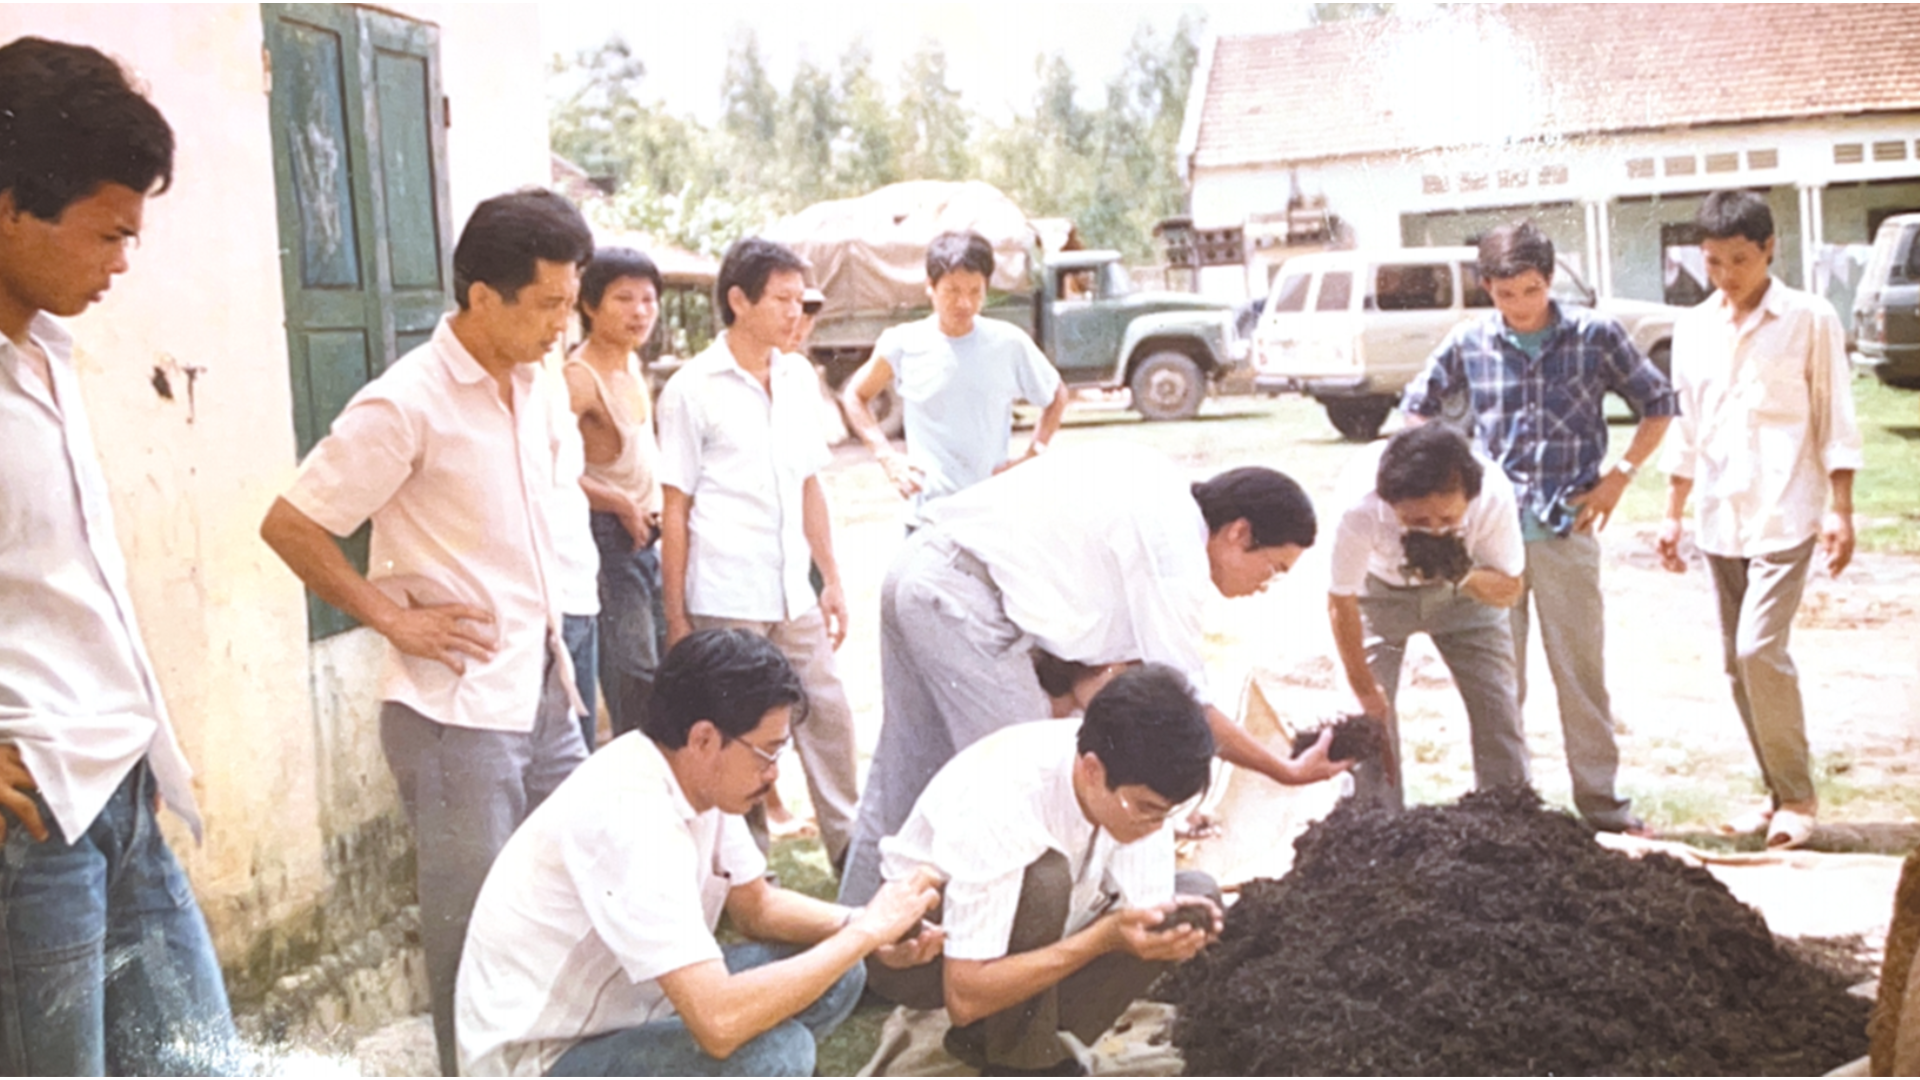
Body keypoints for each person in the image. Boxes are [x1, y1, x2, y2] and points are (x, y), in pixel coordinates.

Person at [259, 188, 595, 1074]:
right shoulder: (405, 402)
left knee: (571, 896)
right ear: (483, 297)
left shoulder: (538, 385)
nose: (565, 324)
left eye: (573, 301)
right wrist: (391, 619)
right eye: (550, 304)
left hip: (544, 687)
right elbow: (293, 525)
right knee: (474, 934)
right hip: (454, 716)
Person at [0, 35, 239, 1076]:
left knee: (199, 1063)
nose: (122, 263)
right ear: (10, 203)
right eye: (107, 233)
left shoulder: (41, 354)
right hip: (30, 826)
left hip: (121, 791)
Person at [838, 441, 1348, 906]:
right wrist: (1284, 770)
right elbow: (1184, 703)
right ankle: (1001, 951)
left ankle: (855, 939)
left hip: (922, 568)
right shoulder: (1176, 552)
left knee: (907, 769)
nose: (1268, 585)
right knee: (1028, 780)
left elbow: (1113, 663)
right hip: (962, 599)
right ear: (1239, 533)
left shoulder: (1158, 485)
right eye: (1274, 568)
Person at [455, 630, 942, 1077]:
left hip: (631, 1010)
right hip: (545, 1057)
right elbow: (719, 1022)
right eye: (767, 752)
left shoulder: (695, 775)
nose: (774, 774)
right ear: (705, 738)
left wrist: (867, 924)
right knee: (777, 1053)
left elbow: (757, 906)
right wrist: (865, 932)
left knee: (836, 971)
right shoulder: (630, 817)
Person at [1402, 220, 1676, 834]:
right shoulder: (1469, 341)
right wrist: (1446, 477)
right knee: (1500, 680)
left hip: (1566, 533)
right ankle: (1506, 807)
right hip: (1490, 542)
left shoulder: (1594, 335)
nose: (1519, 307)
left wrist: (1618, 477)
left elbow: (1659, 404)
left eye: (1530, 291)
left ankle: (1603, 804)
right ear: (1486, 288)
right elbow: (1415, 407)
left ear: (1549, 281)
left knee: (1580, 674)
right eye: (1505, 295)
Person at [866, 665, 1223, 1076]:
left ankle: (1012, 1041)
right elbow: (964, 995)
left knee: (1195, 893)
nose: (1157, 827)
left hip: (1037, 933)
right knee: (1047, 879)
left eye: (1169, 812)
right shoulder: (1005, 798)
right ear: (1092, 770)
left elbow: (1141, 910)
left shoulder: (1135, 785)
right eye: (1146, 809)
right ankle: (1020, 1059)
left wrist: (1161, 932)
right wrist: (1101, 940)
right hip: (921, 954)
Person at [1656, 190, 1864, 850]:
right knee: (1733, 664)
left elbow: (1836, 415)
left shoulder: (1810, 318)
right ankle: (1776, 795)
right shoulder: (1692, 328)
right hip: (1722, 518)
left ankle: (1799, 796)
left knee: (1759, 651)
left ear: (1771, 248)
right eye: (1714, 262)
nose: (1726, 275)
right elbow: (1685, 425)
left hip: (1788, 511)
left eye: (1740, 260)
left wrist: (1841, 509)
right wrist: (1671, 514)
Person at [657, 237, 860, 868]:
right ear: (738, 300)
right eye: (782, 299)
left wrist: (830, 579)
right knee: (742, 738)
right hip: (726, 595)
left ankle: (853, 852)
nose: (795, 313)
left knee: (828, 714)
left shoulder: (799, 377)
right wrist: (676, 618)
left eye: (801, 301)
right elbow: (676, 509)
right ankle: (748, 874)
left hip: (791, 595)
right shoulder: (691, 391)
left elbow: (808, 486)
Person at [1326, 423, 1529, 810]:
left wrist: (1460, 572)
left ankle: (1510, 820)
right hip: (1378, 593)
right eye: (1419, 521)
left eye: (1448, 520)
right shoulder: (1359, 505)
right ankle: (1376, 829)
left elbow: (1509, 589)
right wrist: (1365, 689)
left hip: (1466, 597)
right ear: (1389, 502)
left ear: (1469, 497)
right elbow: (1341, 601)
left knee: (1499, 710)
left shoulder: (1493, 493)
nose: (1435, 530)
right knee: (1367, 723)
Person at [840, 230, 1069, 526]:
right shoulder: (902, 343)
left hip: (990, 517)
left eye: (976, 291)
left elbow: (1056, 395)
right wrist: (886, 456)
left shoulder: (1009, 343)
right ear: (930, 287)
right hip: (926, 518)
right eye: (952, 291)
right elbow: (855, 396)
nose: (965, 303)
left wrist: (1033, 453)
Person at [565, 247, 666, 744]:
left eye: (648, 299)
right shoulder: (578, 379)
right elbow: (545, 469)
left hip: (650, 534)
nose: (639, 311)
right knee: (634, 676)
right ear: (589, 305)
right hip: (608, 539)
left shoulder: (632, 363)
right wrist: (617, 503)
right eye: (623, 299)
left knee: (665, 669)